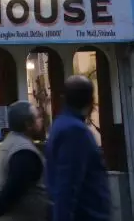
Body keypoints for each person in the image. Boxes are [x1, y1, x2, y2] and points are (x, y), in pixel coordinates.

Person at [45, 75, 110, 221]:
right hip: (87, 214)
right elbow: (67, 184)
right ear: (91, 101)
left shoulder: (60, 125)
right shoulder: (76, 131)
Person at [0, 100, 51, 221]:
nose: (41, 120)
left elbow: (0, 181)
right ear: (28, 124)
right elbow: (13, 188)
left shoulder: (9, 143)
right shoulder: (24, 151)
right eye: (37, 117)